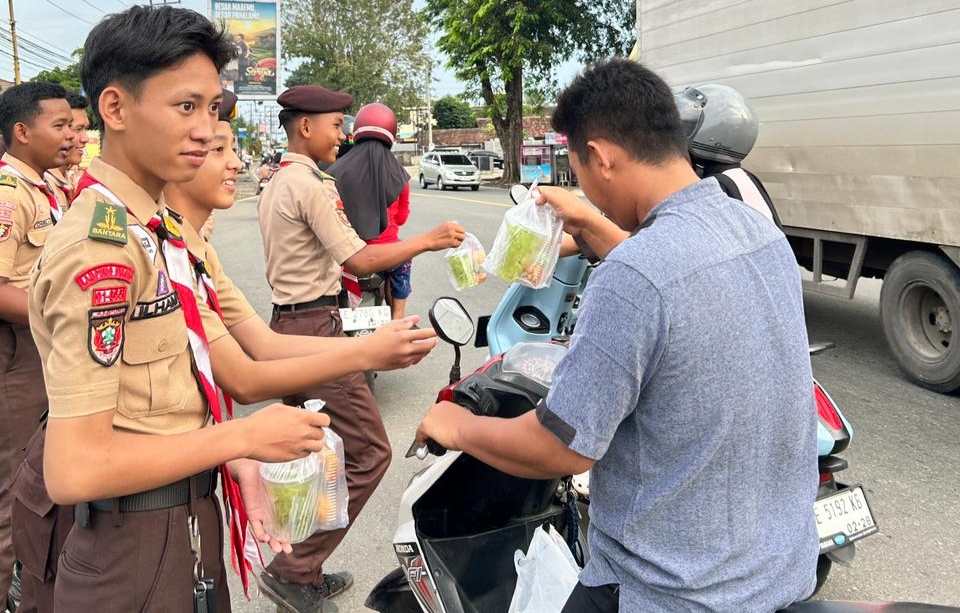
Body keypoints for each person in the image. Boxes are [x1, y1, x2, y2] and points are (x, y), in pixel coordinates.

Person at [416, 58, 819, 612]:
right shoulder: (758, 232)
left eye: (577, 168)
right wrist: (589, 222)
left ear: (601, 156)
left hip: (670, 592)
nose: (582, 186)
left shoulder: (633, 277)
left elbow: (560, 447)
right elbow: (674, 284)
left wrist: (456, 425)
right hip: (778, 569)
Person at [25, 7, 340, 611]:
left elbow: (175, 390)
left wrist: (232, 452)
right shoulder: (101, 247)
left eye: (212, 109)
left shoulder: (152, 229)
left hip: (180, 521)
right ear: (115, 109)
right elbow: (75, 468)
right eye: (186, 106)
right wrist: (242, 436)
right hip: (131, 547)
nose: (204, 130)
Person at [256, 84, 465, 611]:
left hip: (288, 325)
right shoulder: (310, 185)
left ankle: (301, 568)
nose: (341, 135)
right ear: (306, 126)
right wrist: (430, 240)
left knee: (311, 456)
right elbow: (359, 259)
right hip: (314, 329)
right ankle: (293, 569)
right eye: (334, 125)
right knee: (370, 452)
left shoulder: (279, 180)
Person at [0, 81, 74, 605]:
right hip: (17, 357)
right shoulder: (9, 194)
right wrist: (64, 318)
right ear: (23, 131)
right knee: (14, 494)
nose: (72, 135)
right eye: (60, 124)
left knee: (39, 482)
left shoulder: (44, 189)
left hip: (41, 352)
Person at [329, 103, 412, 319]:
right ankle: (398, 317)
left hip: (350, 253)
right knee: (403, 263)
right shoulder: (400, 176)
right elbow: (402, 217)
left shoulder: (336, 171)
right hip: (388, 253)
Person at [45, 91, 91, 204]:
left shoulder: (68, 181)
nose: (85, 139)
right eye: (78, 129)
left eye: (85, 129)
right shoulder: (41, 186)